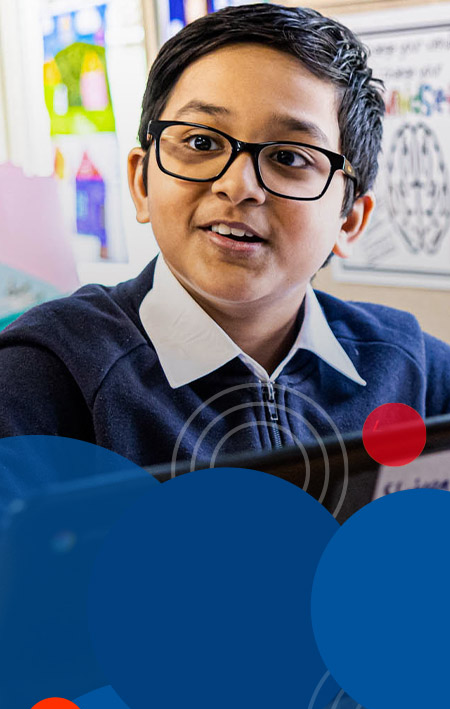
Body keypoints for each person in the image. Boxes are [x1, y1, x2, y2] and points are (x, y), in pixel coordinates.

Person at [1, 4, 449, 467]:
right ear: (141, 183)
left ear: (351, 218)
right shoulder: (42, 377)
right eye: (201, 142)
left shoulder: (418, 373)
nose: (237, 186)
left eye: (290, 157)